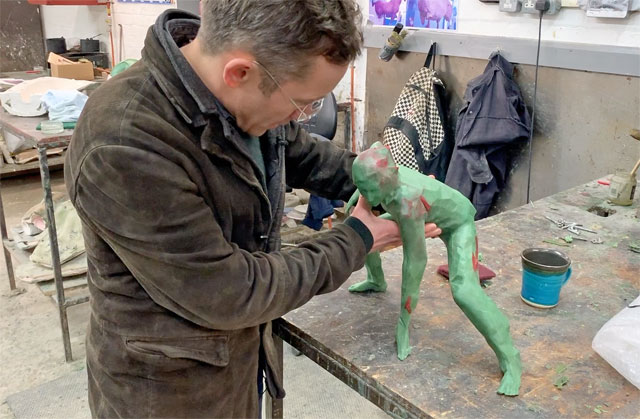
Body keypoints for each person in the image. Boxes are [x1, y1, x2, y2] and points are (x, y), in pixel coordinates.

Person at [65, 1, 440, 417]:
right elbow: (229, 291)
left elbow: (302, 155)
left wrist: (382, 180)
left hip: (237, 359)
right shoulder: (124, 144)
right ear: (239, 73)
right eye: (303, 103)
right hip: (169, 389)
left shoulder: (242, 93)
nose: (303, 116)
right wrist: (357, 239)